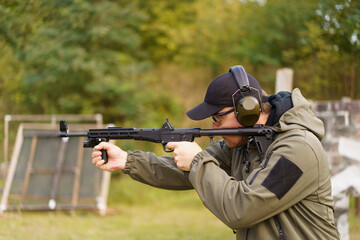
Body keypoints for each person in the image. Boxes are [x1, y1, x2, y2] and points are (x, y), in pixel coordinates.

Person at [92, 65, 339, 240]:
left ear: (247, 110)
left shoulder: (300, 149)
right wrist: (127, 160)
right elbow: (186, 170)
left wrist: (197, 160)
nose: (214, 127)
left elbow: (242, 209)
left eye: (217, 118)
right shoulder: (246, 142)